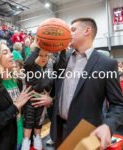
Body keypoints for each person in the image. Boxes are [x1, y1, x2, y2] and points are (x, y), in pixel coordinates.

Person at [47, 17, 123, 150]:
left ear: (87, 31)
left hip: (86, 132)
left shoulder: (107, 64)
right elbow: (57, 90)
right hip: (58, 128)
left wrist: (108, 125)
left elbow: (118, 104)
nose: (68, 34)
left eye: (73, 30)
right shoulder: (62, 59)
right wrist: (50, 99)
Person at [0, 42, 34, 150]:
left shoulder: (17, 81)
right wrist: (16, 106)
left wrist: (48, 100)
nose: (12, 54)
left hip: (22, 139)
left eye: (10, 51)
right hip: (3, 144)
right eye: (5, 52)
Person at [21, 46, 66, 150]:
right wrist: (37, 48)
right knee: (29, 120)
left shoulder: (50, 66)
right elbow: (27, 63)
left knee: (39, 121)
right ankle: (26, 141)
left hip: (43, 100)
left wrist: (62, 51)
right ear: (34, 56)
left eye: (46, 55)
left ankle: (37, 138)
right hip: (30, 99)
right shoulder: (31, 67)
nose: (43, 58)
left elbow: (61, 67)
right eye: (40, 55)